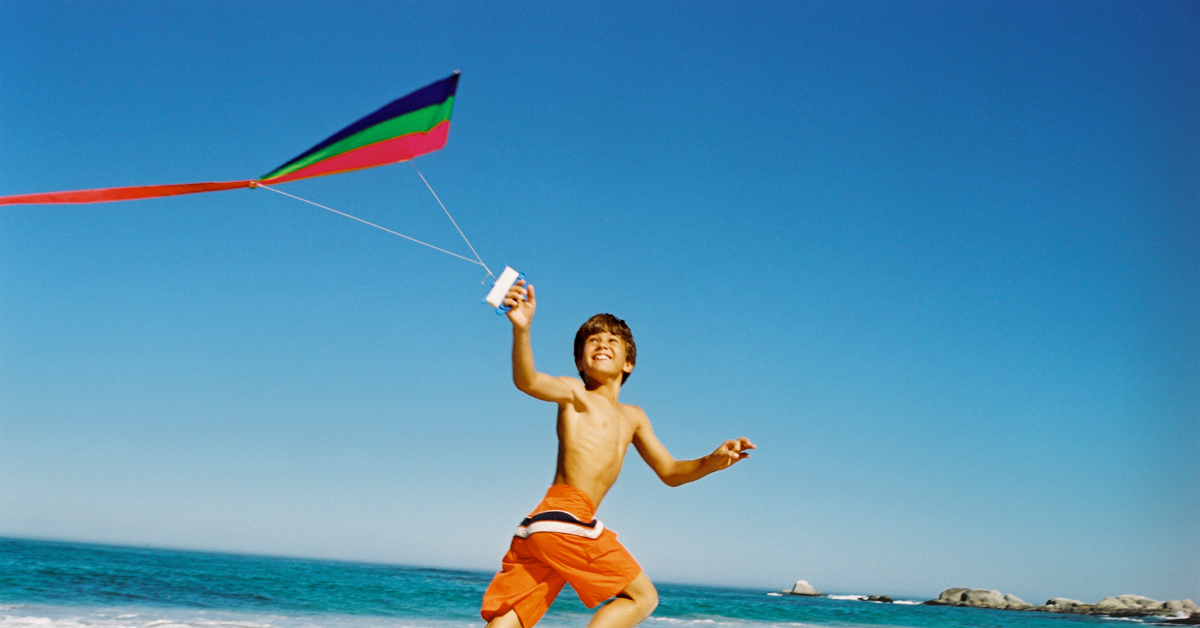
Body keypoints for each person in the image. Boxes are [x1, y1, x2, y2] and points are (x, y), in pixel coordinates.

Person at [480, 280, 755, 628]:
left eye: (613, 341)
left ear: (629, 364)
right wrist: (522, 330)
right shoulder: (575, 393)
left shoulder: (634, 417)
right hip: (566, 517)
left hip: (540, 527)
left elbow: (670, 471)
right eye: (593, 341)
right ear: (580, 362)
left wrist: (711, 462)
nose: (602, 344)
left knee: (514, 615)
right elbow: (528, 381)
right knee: (642, 598)